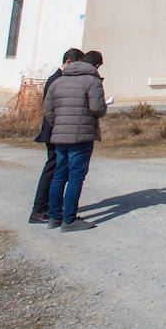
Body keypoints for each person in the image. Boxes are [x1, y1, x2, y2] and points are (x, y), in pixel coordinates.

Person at [44, 49, 109, 230]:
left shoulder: (58, 81)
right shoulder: (92, 81)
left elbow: (48, 110)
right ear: (96, 66)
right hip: (81, 136)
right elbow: (97, 108)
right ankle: (70, 220)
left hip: (60, 135)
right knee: (75, 177)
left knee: (59, 176)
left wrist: (59, 125)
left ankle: (54, 217)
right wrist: (104, 108)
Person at [29, 47, 83, 223]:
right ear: (68, 62)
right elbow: (51, 109)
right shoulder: (57, 80)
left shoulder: (59, 78)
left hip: (58, 131)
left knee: (57, 171)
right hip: (55, 132)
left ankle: (53, 208)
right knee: (53, 171)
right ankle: (40, 209)